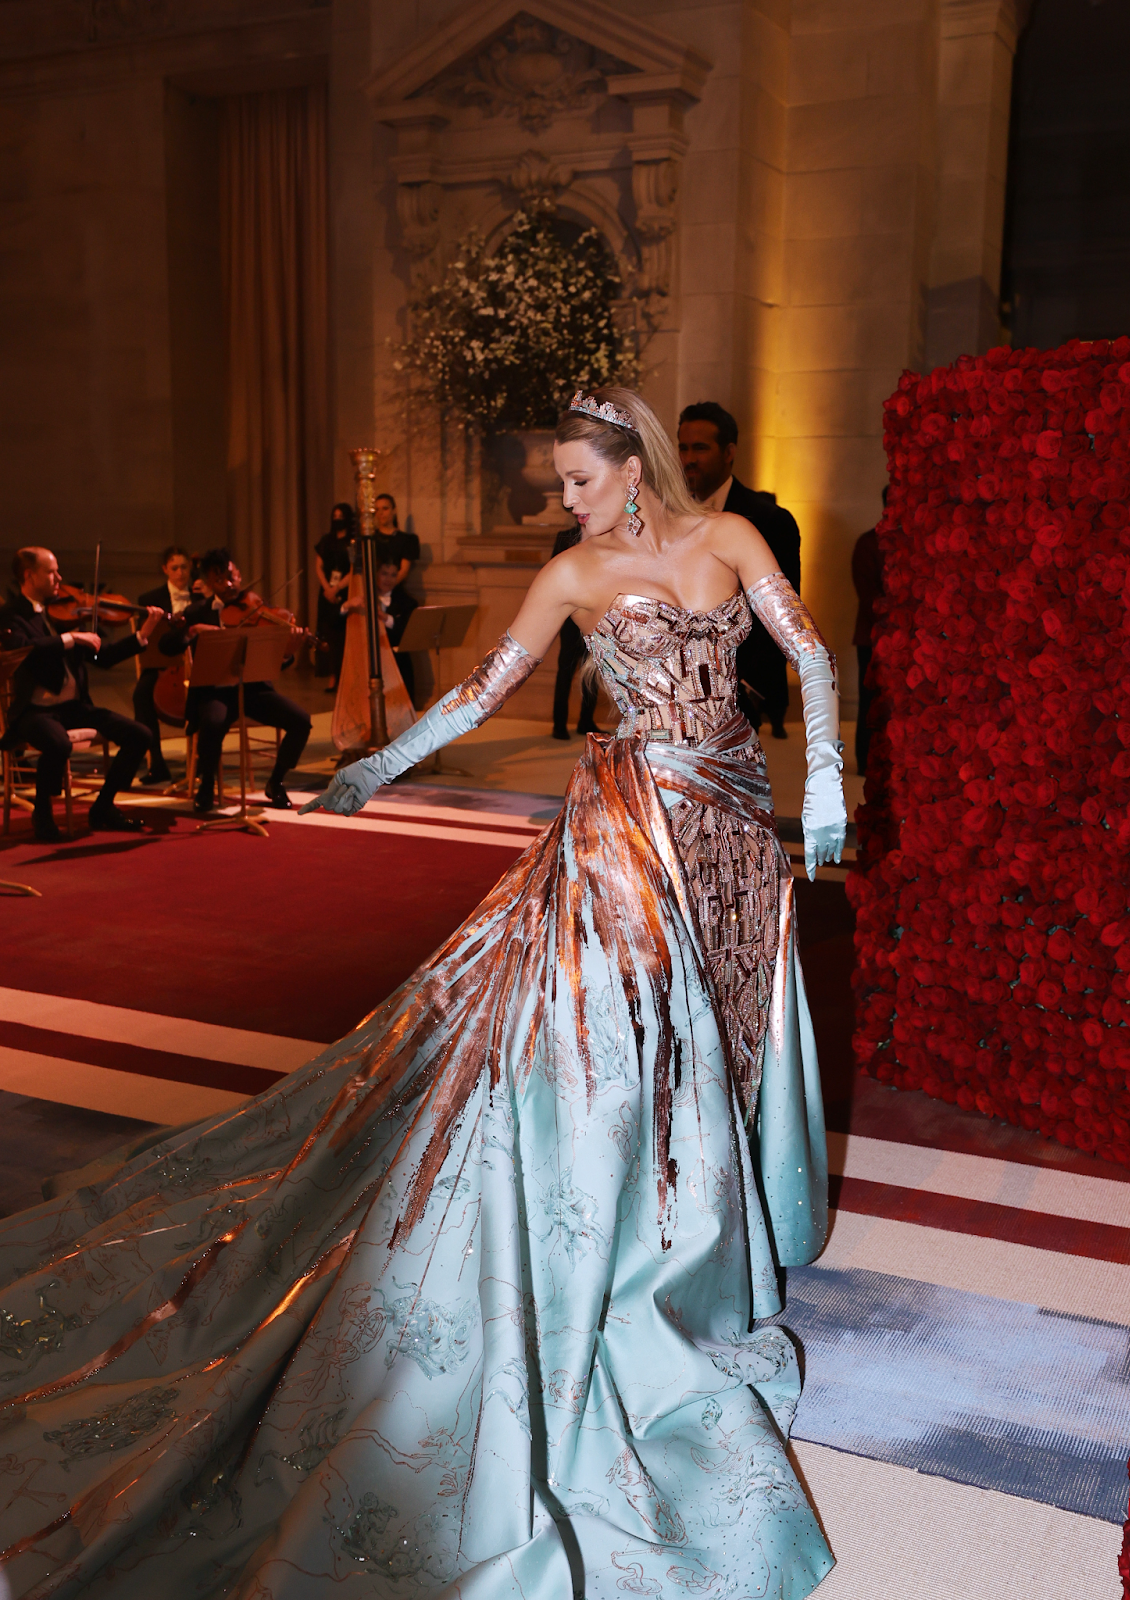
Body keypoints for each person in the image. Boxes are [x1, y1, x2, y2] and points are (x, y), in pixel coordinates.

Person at [0, 389, 844, 1597]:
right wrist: (381, 763)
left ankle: (708, 1213)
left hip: (733, 809)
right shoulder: (569, 574)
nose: (564, 498)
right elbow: (480, 691)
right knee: (636, 1024)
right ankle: (646, 1239)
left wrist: (823, 781)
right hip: (626, 822)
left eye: (578, 479)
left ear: (632, 467)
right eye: (559, 481)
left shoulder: (730, 537)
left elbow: (806, 652)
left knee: (725, 1010)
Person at [0, 546, 164, 841]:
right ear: (29, 575)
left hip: (73, 708)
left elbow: (103, 657)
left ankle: (103, 806)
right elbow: (23, 649)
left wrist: (143, 634)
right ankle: (42, 814)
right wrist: (70, 638)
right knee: (57, 743)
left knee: (140, 735)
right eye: (51, 572)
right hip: (34, 712)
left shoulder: (62, 613)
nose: (59, 578)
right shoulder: (11, 615)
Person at [678, 400, 801, 737]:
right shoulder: (668, 515)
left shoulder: (769, 520)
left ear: (729, 452)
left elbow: (781, 614)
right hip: (672, 691)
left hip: (736, 692)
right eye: (683, 448)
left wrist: (747, 686)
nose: (689, 458)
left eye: (700, 448)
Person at [182, 547, 312, 813]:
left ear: (239, 574)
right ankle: (206, 786)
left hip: (253, 691)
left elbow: (273, 662)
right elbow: (167, 645)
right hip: (215, 691)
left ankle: (276, 782)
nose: (229, 584)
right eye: (220, 580)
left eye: (231, 577)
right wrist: (192, 632)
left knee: (301, 721)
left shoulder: (257, 608)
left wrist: (287, 652)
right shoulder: (196, 612)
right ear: (209, 583)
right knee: (212, 722)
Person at [132, 543, 194, 785]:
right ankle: (156, 763)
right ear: (165, 569)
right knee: (141, 695)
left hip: (196, 665)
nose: (180, 573)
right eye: (174, 568)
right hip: (162, 665)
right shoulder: (150, 600)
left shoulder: (201, 595)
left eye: (184, 567)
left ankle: (200, 764)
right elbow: (147, 639)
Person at [549, 520, 599, 739]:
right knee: (565, 670)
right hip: (570, 618)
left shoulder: (604, 537)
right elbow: (553, 576)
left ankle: (586, 721)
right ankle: (559, 724)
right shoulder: (564, 537)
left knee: (593, 671)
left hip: (596, 616)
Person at [852, 487, 887, 776]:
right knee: (869, 700)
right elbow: (868, 596)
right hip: (873, 636)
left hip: (896, 635)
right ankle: (865, 760)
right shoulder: (869, 543)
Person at [374, 492, 420, 700]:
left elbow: (402, 570)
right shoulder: (370, 540)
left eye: (385, 508)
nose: (381, 513)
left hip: (394, 599)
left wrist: (387, 585)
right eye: (377, 510)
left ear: (393, 511)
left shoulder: (405, 540)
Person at [314, 502, 355, 691]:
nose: (337, 520)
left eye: (341, 516)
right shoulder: (326, 540)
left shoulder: (353, 542)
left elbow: (354, 570)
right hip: (326, 592)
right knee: (328, 634)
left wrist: (336, 588)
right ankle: (331, 675)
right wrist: (327, 589)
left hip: (345, 592)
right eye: (335, 516)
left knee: (343, 636)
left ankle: (344, 676)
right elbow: (318, 566)